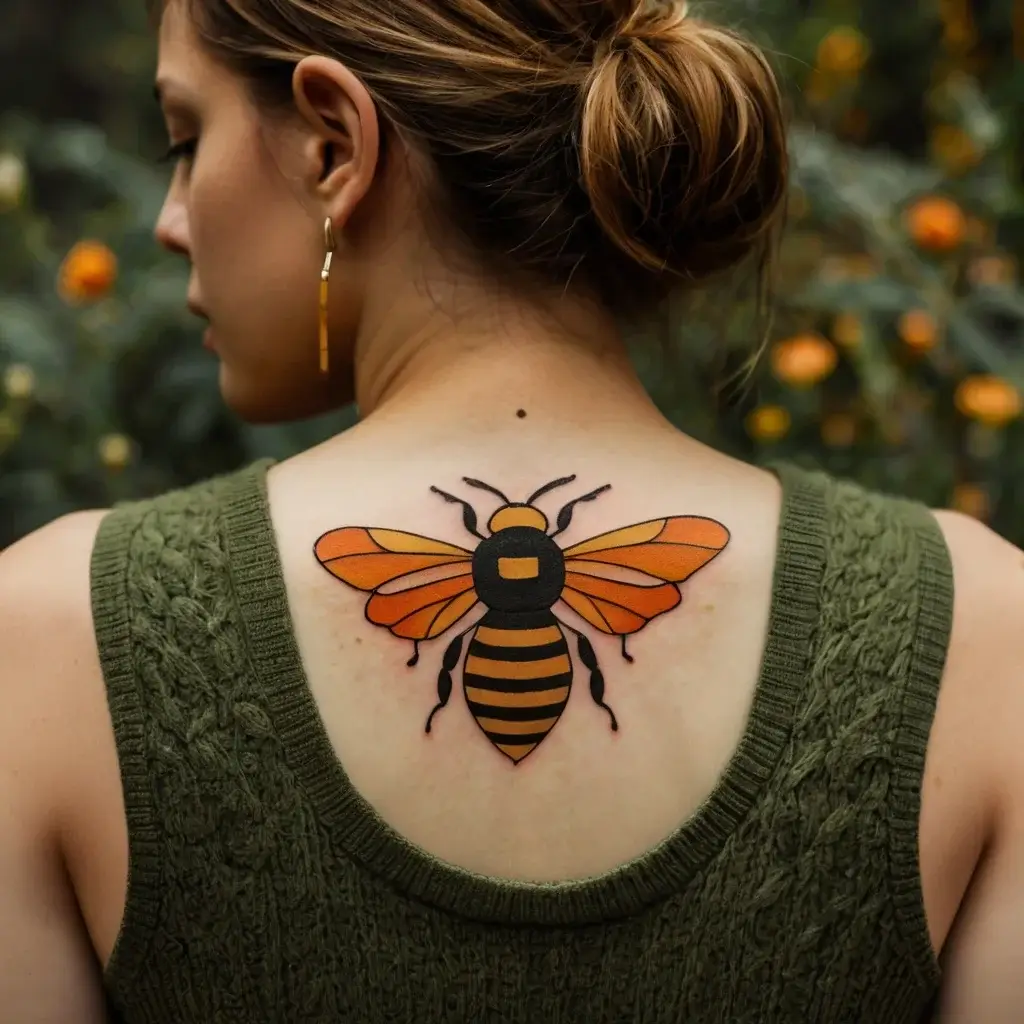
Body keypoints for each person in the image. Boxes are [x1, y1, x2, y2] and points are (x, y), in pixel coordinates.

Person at [1, 0, 1022, 1020]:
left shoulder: (53, 641)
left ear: (332, 146)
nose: (168, 220)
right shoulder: (984, 637)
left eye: (188, 139)